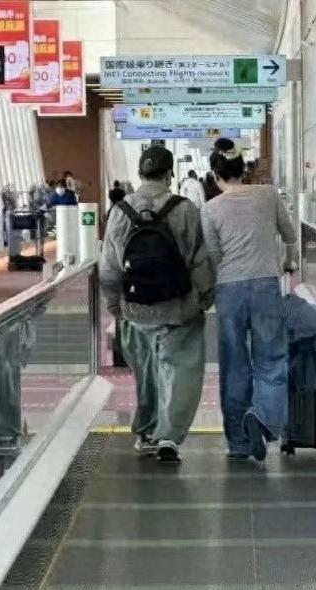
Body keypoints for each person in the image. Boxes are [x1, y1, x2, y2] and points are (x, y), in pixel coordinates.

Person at [100, 145, 215, 462]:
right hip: (178, 307)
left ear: (140, 173)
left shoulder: (120, 211)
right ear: (169, 175)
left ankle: (148, 431)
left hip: (135, 309)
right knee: (180, 372)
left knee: (146, 373)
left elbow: (109, 268)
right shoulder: (184, 209)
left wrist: (114, 305)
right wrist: (205, 296)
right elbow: (200, 260)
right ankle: (169, 437)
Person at [201, 138, 296, 461]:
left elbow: (213, 255)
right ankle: (263, 418)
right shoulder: (268, 195)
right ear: (244, 171)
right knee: (271, 359)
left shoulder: (210, 209)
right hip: (266, 284)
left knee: (233, 364)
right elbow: (290, 235)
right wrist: (288, 262)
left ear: (216, 176)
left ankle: (238, 442)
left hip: (229, 290)